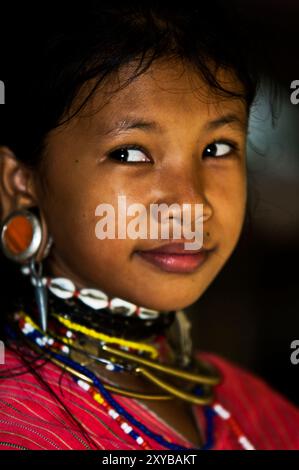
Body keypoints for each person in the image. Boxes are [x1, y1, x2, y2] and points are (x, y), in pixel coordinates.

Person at [0, 1, 298, 451]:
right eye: (130, 154)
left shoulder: (257, 410)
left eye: (217, 148)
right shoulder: (17, 426)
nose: (190, 203)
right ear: (21, 183)